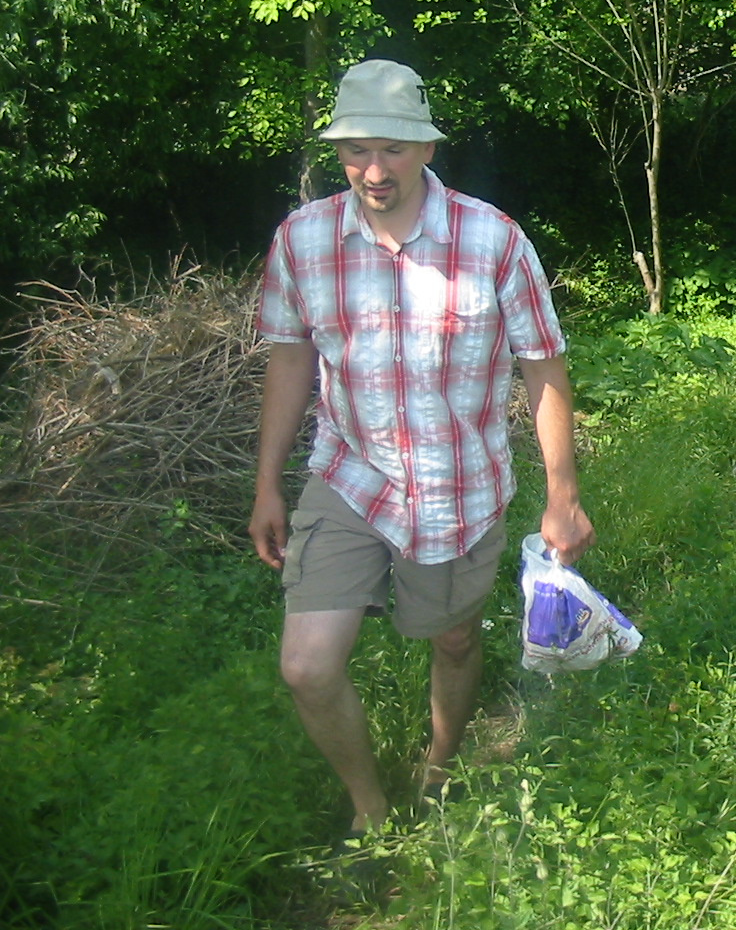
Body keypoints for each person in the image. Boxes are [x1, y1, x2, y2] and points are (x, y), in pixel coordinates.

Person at [248, 59, 594, 839]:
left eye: (394, 149)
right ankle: (373, 812)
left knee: (455, 636)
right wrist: (268, 482)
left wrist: (561, 495)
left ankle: (441, 768)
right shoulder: (303, 241)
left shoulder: (492, 239)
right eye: (357, 150)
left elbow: (543, 365)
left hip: (456, 485)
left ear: (427, 149)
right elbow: (291, 358)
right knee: (306, 666)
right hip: (349, 475)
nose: (374, 170)